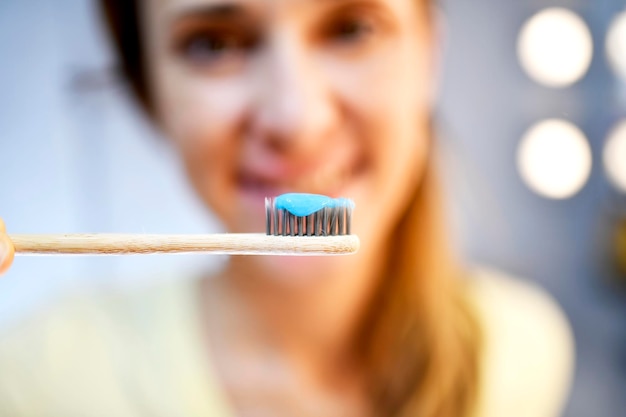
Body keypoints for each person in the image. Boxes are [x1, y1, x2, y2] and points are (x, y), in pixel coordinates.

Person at [0, 0, 574, 416]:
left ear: (430, 55)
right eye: (214, 43)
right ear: (148, 92)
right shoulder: (34, 380)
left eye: (353, 28)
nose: (297, 120)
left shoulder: (519, 352)